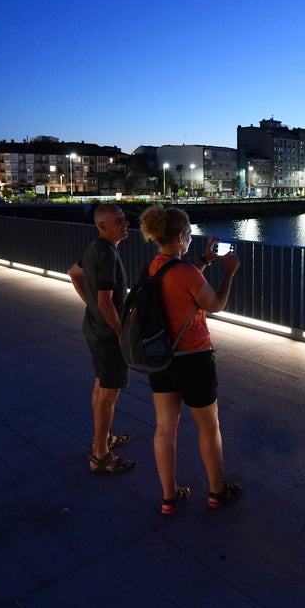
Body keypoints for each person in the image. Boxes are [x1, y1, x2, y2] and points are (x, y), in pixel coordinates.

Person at [137, 203, 243, 514]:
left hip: (162, 358)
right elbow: (215, 304)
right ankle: (216, 491)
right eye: (190, 233)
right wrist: (229, 273)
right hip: (194, 359)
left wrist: (204, 262)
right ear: (183, 235)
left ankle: (170, 497)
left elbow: (179, 282)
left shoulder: (153, 266)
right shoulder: (185, 272)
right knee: (208, 428)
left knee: (164, 429)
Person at [67, 204, 136, 474]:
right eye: (118, 220)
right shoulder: (106, 254)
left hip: (94, 330)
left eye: (123, 218)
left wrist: (91, 305)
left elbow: (73, 272)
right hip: (108, 336)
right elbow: (106, 301)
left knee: (100, 388)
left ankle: (103, 438)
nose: (125, 223)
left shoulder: (95, 248)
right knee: (109, 394)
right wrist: (122, 334)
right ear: (102, 226)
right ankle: (100, 456)